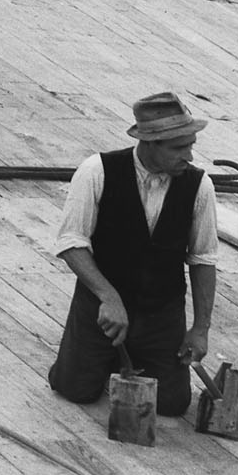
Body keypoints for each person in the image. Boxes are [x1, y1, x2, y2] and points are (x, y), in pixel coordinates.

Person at [47, 92, 219, 418]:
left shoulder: (199, 186)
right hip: (101, 308)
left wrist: (200, 328)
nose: (189, 156)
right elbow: (71, 243)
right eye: (179, 148)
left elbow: (203, 259)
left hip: (160, 313)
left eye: (191, 145)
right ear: (150, 142)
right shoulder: (96, 171)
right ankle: (100, 355)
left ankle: (125, 356)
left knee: (170, 405)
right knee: (75, 390)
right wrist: (107, 296)